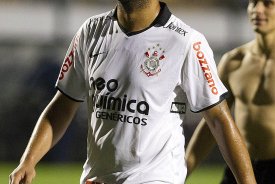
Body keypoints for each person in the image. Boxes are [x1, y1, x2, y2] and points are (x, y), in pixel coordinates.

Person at [9, 1, 256, 184]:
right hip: (97, 178)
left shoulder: (187, 42)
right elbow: (63, 104)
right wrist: (28, 161)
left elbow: (219, 119)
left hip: (156, 178)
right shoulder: (91, 31)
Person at [186, 0, 275, 183]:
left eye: (268, 4)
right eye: (253, 3)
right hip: (242, 167)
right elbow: (213, 121)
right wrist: (186, 166)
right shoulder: (233, 61)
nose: (257, 10)